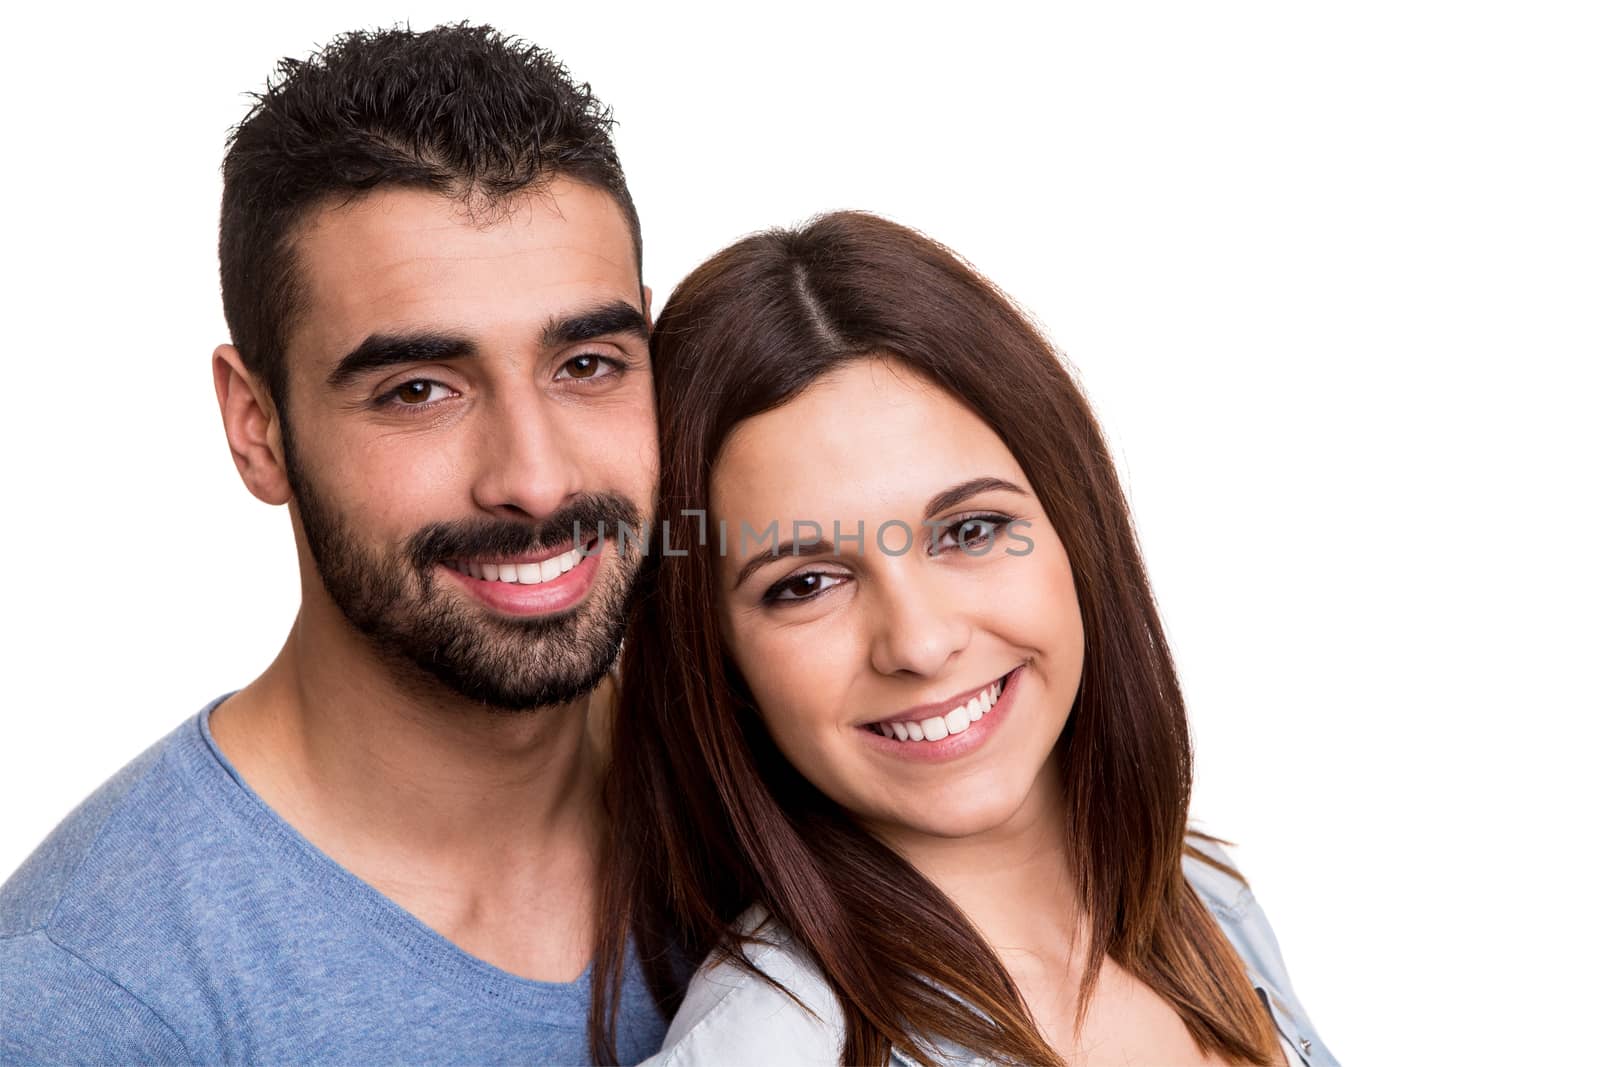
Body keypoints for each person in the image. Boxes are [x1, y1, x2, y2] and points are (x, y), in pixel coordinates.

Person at [0, 25, 668, 1065]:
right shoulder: (91, 998)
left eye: (587, 363)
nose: (535, 478)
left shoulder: (774, 789)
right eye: (417, 389)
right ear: (256, 424)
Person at [590, 212, 1339, 1066]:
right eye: (804, 584)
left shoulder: (1208, 900)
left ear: (1075, 524)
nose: (919, 640)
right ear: (716, 657)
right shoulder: (771, 1045)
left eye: (970, 530)